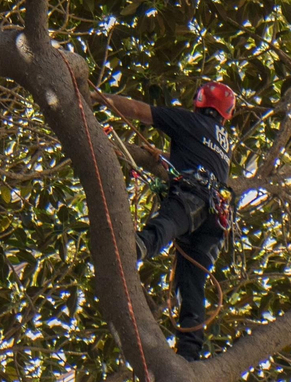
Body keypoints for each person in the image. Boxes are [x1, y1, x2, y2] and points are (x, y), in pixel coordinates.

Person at [97, 81, 236, 361]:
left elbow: (137, 110)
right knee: (191, 284)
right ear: (225, 113)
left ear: (199, 102)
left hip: (193, 198)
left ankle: (136, 248)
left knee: (168, 223)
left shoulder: (189, 122)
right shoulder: (224, 142)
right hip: (215, 220)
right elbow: (195, 158)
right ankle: (190, 351)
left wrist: (96, 97)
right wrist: (161, 156)